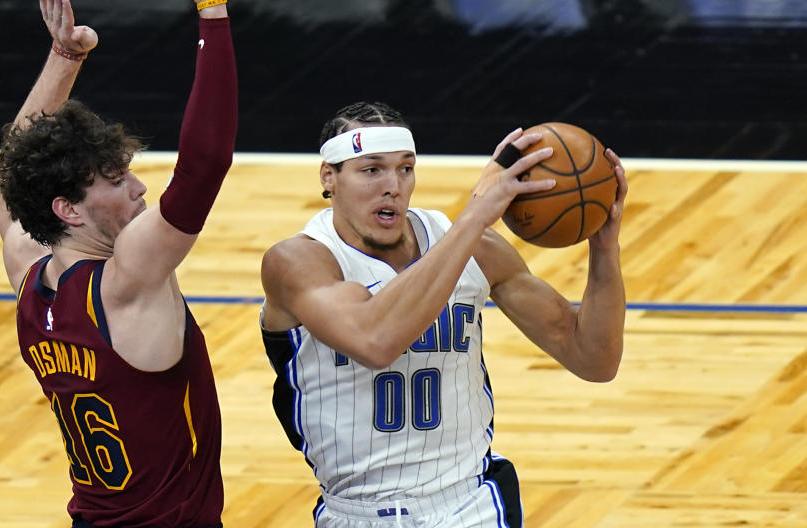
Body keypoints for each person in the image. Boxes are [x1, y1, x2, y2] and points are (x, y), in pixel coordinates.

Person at [260, 102, 627, 527]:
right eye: (371, 170)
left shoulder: (476, 248)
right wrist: (472, 221)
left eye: (405, 168)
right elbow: (374, 342)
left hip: (470, 505)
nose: (392, 186)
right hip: (357, 513)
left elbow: (595, 359)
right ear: (329, 177)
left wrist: (604, 250)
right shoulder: (298, 262)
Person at [0, 0, 235, 528]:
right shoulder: (127, 283)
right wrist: (211, 9)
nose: (139, 187)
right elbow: (204, 164)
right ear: (69, 210)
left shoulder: (31, 278)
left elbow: (13, 168)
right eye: (114, 179)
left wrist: (62, 59)